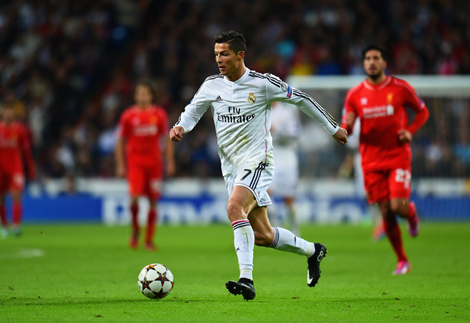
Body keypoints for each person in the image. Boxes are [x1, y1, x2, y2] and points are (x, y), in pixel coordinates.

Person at [170, 31, 348, 300]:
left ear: (240, 55)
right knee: (263, 235)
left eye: (224, 54)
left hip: (257, 161)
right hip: (231, 167)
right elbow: (193, 109)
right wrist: (181, 126)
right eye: (216, 54)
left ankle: (247, 279)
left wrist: (333, 128)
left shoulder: (262, 84)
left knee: (233, 207)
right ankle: (313, 251)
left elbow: (302, 99)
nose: (218, 59)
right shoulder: (211, 85)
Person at [341, 44, 430, 275]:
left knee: (397, 207)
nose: (371, 62)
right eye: (368, 58)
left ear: (384, 62)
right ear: (364, 63)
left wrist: (410, 130)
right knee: (386, 213)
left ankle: (410, 213)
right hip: (370, 161)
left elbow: (422, 111)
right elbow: (345, 130)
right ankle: (402, 260)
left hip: (398, 156)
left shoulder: (400, 88)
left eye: (376, 58)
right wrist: (348, 125)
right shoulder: (355, 95)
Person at [115, 81, 175, 251]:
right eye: (139, 93)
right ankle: (135, 229)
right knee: (134, 197)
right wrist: (120, 164)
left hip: (154, 163)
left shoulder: (159, 114)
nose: (142, 96)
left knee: (152, 201)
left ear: (150, 96)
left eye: (145, 93)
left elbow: (167, 139)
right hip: (135, 163)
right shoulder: (128, 116)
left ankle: (149, 240)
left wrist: (169, 162)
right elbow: (120, 141)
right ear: (135, 96)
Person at [0, 103, 36, 237]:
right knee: (0, 197)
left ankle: (16, 226)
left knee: (16, 195)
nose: (8, 115)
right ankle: (4, 226)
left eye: (11, 113)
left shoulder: (20, 130)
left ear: (14, 114)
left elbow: (26, 151)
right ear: (2, 113)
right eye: (6, 112)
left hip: (15, 168)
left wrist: (31, 168)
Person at [267, 102, 302, 236]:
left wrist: (277, 131)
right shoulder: (261, 109)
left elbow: (295, 133)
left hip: (287, 157)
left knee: (288, 198)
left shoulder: (286, 112)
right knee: (265, 194)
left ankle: (295, 230)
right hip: (269, 156)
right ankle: (277, 230)